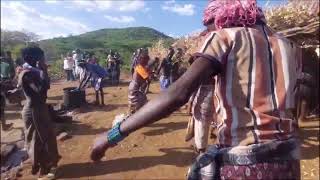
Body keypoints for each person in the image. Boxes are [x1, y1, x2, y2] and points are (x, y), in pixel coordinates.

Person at [90, 0, 302, 179]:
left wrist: (112, 135)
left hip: (246, 164)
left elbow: (177, 94)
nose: (206, 31)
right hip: (289, 160)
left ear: (221, 18)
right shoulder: (288, 45)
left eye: (208, 25)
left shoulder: (224, 37)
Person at [18, 46, 60, 179]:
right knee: (37, 141)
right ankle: (43, 171)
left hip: (40, 108)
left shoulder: (34, 72)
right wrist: (43, 70)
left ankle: (49, 164)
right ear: (34, 58)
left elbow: (46, 87)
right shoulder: (27, 74)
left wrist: (43, 71)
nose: (43, 59)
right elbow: (40, 90)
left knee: (47, 137)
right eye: (41, 56)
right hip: (33, 111)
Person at [127, 49, 150, 115]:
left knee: (141, 102)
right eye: (146, 60)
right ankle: (132, 120)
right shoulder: (140, 68)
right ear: (142, 60)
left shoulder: (140, 67)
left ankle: (134, 118)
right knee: (136, 105)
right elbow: (147, 78)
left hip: (134, 87)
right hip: (135, 87)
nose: (147, 62)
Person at [0, 51, 14, 131]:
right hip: (3, 84)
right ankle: (4, 126)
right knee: (1, 109)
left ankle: (4, 126)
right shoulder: (6, 64)